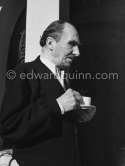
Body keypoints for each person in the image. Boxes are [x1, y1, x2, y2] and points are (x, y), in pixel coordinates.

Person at [0, 20, 95, 166]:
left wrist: (77, 115)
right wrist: (58, 105)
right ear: (50, 43)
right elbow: (9, 126)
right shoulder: (23, 72)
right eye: (72, 44)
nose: (77, 52)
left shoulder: (64, 78)